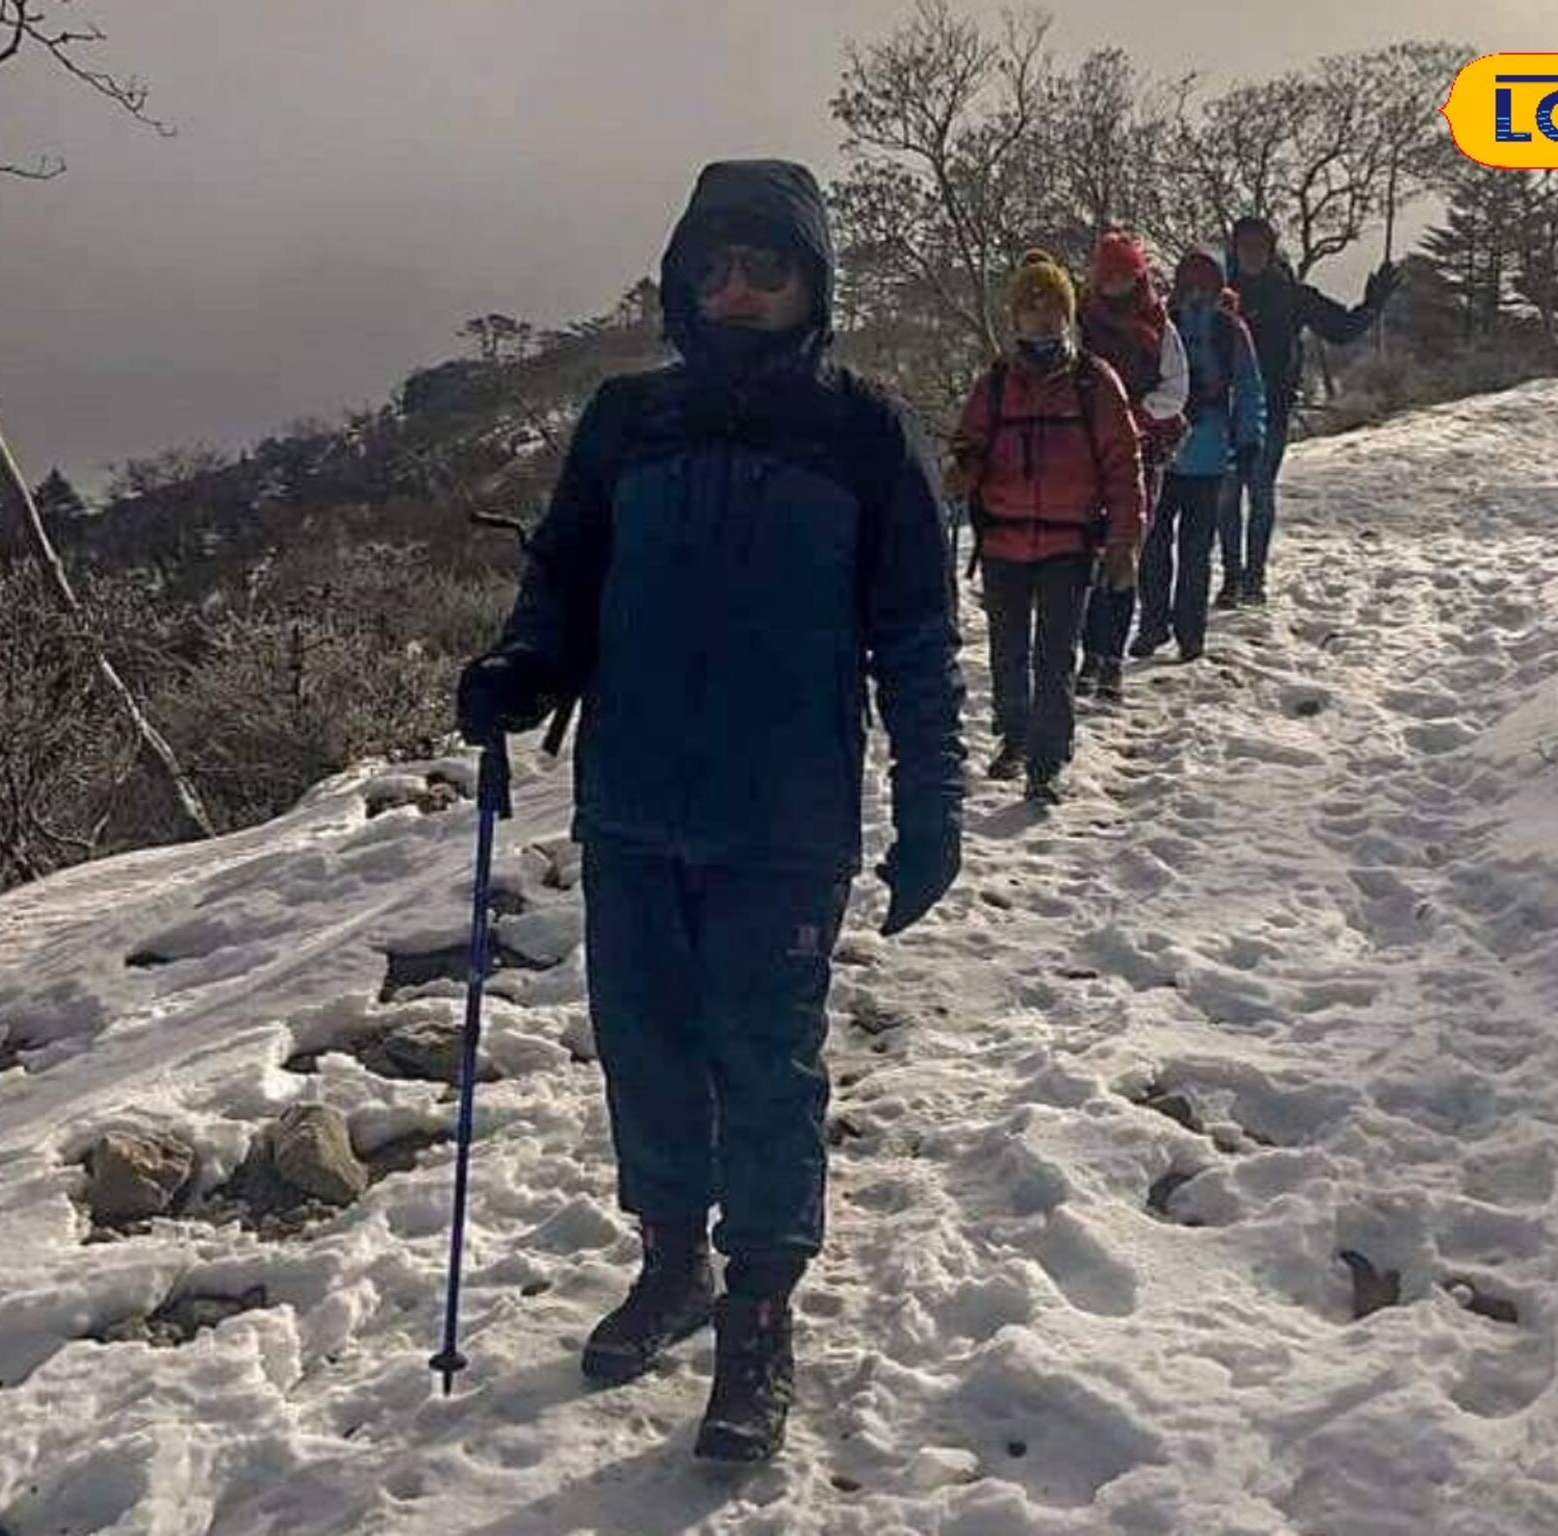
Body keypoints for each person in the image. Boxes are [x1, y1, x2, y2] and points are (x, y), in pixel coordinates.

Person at [455, 159, 966, 1463]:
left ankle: (758, 1312)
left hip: (784, 820)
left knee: (766, 1064)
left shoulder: (866, 430)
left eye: (765, 269)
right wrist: (522, 669)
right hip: (631, 806)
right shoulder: (627, 418)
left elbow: (914, 640)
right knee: (647, 1049)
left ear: (812, 284)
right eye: (713, 268)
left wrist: (931, 808)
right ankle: (672, 1262)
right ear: (684, 278)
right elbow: (565, 580)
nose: (735, 292)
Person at [944, 250, 1145, 805]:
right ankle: (1014, 736)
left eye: (1051, 305)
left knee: (1055, 655)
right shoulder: (995, 384)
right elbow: (970, 444)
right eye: (1030, 307)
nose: (1040, 317)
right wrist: (961, 468)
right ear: (1013, 318)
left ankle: (1047, 760)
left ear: (1069, 313)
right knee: (1008, 651)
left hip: (1068, 542)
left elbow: (1122, 465)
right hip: (1004, 539)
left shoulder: (1093, 383)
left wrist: (1125, 541)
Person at [1219, 215, 1400, 608]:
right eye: (1244, 246)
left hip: (1273, 408)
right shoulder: (1221, 293)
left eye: (1258, 247)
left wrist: (1371, 307)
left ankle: (1254, 579)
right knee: (1227, 495)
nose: (1251, 254)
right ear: (1235, 250)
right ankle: (1232, 579)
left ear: (1270, 251)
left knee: (1260, 493)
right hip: (1227, 409)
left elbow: (1340, 328)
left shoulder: (1290, 294)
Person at [1131, 247, 1264, 664]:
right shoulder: (1160, 324)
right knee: (1154, 545)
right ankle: (1156, 624)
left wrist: (1248, 441)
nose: (1195, 289)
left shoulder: (1229, 330)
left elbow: (1247, 386)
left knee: (1194, 549)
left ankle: (1189, 631)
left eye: (1202, 280)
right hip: (1162, 454)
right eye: (1190, 280)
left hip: (1206, 456)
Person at [1076, 229, 1189, 705]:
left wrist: (1134, 416)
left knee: (1124, 557)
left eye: (1125, 277)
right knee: (1086, 559)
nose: (1117, 287)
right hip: (1084, 458)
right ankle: (1087, 655)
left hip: (1141, 455)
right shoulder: (1080, 322)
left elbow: (1176, 390)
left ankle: (1111, 661)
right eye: (1110, 278)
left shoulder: (1159, 326)